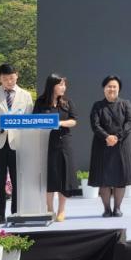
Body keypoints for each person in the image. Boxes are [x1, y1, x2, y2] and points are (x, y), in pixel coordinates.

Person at [0, 63, 34, 224]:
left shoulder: (26, 95)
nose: (9, 81)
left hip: (18, 143)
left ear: (17, 75)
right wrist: (0, 124)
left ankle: (16, 213)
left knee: (18, 179)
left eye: (11, 78)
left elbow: (29, 119)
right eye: (5, 79)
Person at [88, 75, 131, 217]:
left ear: (119, 89)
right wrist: (107, 137)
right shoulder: (97, 106)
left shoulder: (126, 104)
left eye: (114, 86)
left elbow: (130, 122)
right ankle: (106, 209)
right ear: (104, 89)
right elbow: (95, 124)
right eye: (109, 86)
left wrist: (117, 137)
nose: (111, 89)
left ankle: (117, 208)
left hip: (123, 145)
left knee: (120, 178)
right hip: (102, 144)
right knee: (103, 179)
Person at [33, 73, 78, 221]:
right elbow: (34, 120)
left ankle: (61, 210)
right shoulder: (41, 102)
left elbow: (73, 120)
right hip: (46, 143)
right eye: (61, 85)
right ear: (52, 86)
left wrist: (59, 123)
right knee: (50, 176)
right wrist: (46, 123)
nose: (64, 88)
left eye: (64, 85)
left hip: (64, 142)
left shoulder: (67, 102)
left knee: (64, 175)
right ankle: (49, 209)